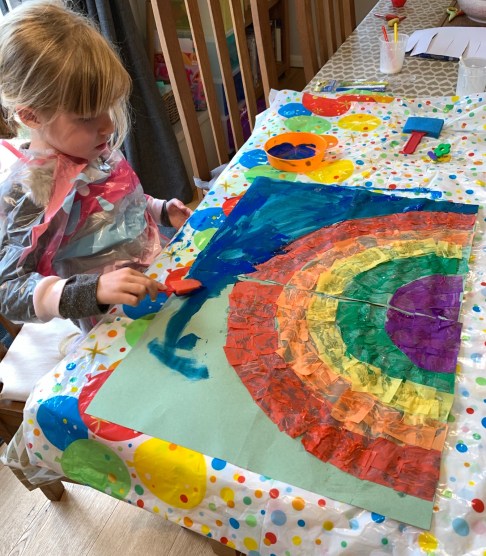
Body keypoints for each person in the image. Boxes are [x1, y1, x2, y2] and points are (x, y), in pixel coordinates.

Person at [0, 0, 192, 334]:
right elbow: (7, 291)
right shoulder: (30, 192)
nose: (108, 126)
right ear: (31, 116)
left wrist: (159, 210)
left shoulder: (90, 146)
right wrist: (93, 291)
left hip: (157, 276)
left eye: (108, 107)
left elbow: (114, 206)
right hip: (111, 322)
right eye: (88, 116)